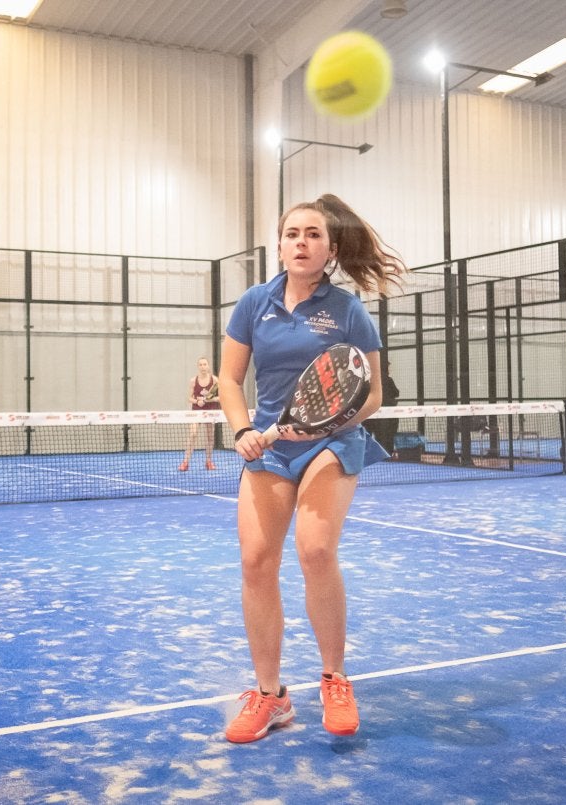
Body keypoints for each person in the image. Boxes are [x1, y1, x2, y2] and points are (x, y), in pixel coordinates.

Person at [218, 194, 403, 744]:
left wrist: (325, 426)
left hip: (334, 442)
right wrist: (243, 430)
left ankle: (334, 678)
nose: (302, 242)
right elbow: (230, 379)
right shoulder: (255, 302)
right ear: (278, 245)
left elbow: (372, 392)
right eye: (292, 233)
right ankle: (271, 696)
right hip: (271, 447)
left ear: (330, 248)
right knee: (255, 561)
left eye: (313, 234)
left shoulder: (347, 310)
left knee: (316, 550)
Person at [180, 357, 220, 471]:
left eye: (205, 364)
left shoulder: (215, 380)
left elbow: (220, 398)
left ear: (208, 366)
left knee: (210, 437)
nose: (203, 367)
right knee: (192, 434)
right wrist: (198, 401)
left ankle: (208, 461)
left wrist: (207, 400)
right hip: (196, 412)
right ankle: (185, 462)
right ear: (198, 367)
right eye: (201, 365)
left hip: (210, 412)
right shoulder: (193, 380)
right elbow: (189, 398)